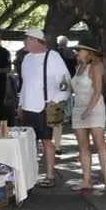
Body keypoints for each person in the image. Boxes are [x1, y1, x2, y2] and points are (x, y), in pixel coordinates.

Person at [18, 29, 71, 188]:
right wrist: (20, 104)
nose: (24, 43)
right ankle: (30, 176)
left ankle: (50, 175)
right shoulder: (26, 59)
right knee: (28, 143)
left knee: (47, 141)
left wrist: (57, 100)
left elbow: (65, 81)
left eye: (27, 39)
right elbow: (25, 84)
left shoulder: (52, 57)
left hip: (45, 106)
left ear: (36, 40)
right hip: (28, 106)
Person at [70, 38, 106, 192]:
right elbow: (73, 89)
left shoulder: (96, 66)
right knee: (82, 147)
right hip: (78, 109)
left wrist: (88, 110)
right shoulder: (78, 67)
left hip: (94, 109)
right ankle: (86, 180)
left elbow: (98, 90)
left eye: (79, 50)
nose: (76, 53)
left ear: (88, 52)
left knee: (100, 144)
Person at [53, 36, 77, 155]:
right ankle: (57, 145)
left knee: (57, 116)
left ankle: (56, 145)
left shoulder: (54, 54)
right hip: (65, 83)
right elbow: (73, 68)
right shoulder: (70, 53)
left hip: (59, 86)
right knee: (58, 116)